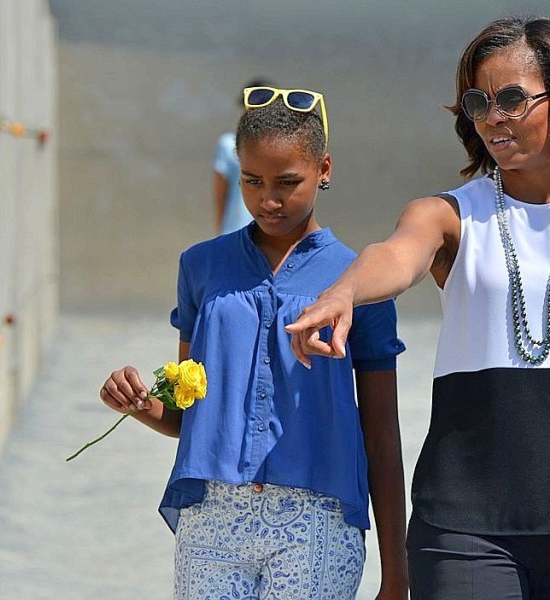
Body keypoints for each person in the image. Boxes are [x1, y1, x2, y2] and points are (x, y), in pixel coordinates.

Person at [286, 16, 550, 600]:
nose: (492, 115)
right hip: (462, 524)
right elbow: (394, 256)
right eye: (478, 100)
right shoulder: (448, 214)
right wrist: (343, 292)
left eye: (513, 98)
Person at [100, 86, 409, 599]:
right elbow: (188, 414)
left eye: (288, 182)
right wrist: (138, 403)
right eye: (251, 180)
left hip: (318, 523)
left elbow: (381, 431)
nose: (268, 199)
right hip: (211, 521)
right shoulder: (201, 267)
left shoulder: (362, 279)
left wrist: (397, 575)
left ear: (324, 169)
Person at [213, 78, 274, 234]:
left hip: (271, 232)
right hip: (235, 229)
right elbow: (221, 195)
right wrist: (220, 234)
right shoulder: (228, 144)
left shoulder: (282, 148)